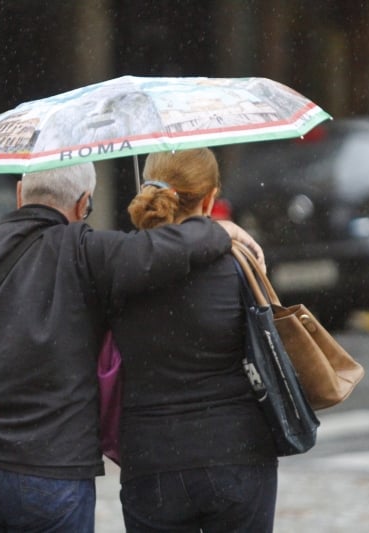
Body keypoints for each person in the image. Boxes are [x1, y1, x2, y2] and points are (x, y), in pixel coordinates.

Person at [0, 161, 264, 533]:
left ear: (20, 193)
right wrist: (220, 229)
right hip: (54, 470)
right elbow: (161, 249)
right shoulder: (86, 251)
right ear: (84, 204)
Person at [111, 148, 278, 533]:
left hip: (151, 460)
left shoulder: (118, 267)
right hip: (237, 452)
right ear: (210, 197)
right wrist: (223, 229)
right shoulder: (239, 264)